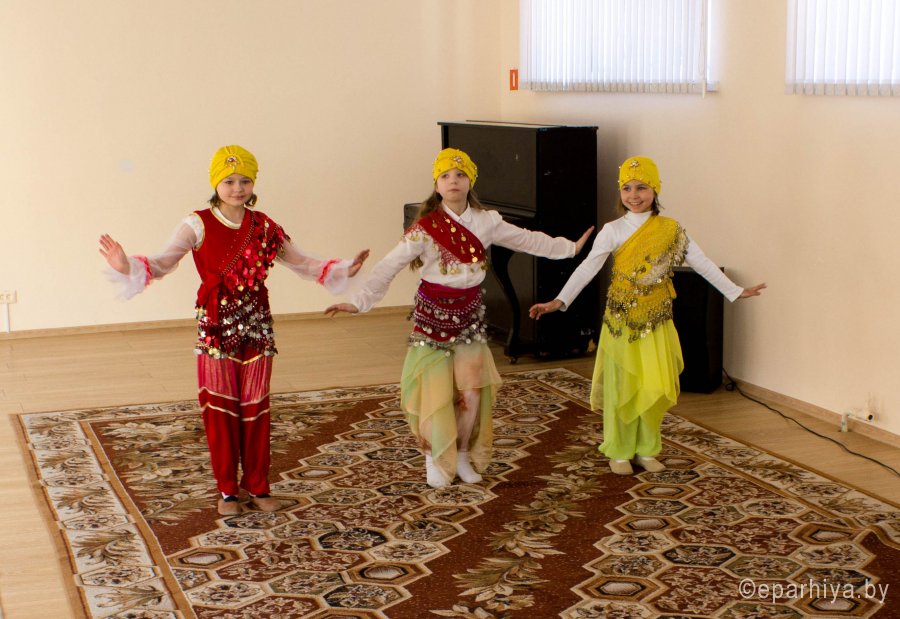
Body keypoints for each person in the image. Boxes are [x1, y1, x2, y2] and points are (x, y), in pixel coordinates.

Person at [98, 145, 369, 515]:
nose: (237, 188)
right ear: (216, 183)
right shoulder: (196, 224)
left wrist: (343, 269)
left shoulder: (265, 226)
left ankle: (258, 485)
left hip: (258, 327)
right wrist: (125, 265)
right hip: (215, 330)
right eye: (229, 181)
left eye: (244, 181)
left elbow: (301, 262)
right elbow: (162, 263)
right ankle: (227, 490)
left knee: (256, 407)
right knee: (220, 409)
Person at [325, 148, 594, 488]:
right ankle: (434, 457)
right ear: (437, 185)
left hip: (469, 317)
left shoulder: (487, 221)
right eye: (445, 176)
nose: (453, 180)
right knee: (435, 393)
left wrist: (569, 248)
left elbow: (526, 240)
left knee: (472, 392)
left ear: (470, 182)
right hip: (433, 318)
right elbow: (388, 266)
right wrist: (358, 302)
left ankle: (462, 453)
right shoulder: (425, 228)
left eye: (460, 174)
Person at [529, 155, 765, 475]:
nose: (634, 195)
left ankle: (646, 448)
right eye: (626, 188)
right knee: (622, 388)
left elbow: (701, 262)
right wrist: (559, 301)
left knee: (652, 387)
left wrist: (734, 290)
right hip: (621, 323)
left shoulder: (671, 229)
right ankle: (619, 450)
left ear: (655, 189)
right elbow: (587, 268)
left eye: (641, 187)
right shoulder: (613, 230)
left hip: (656, 322)